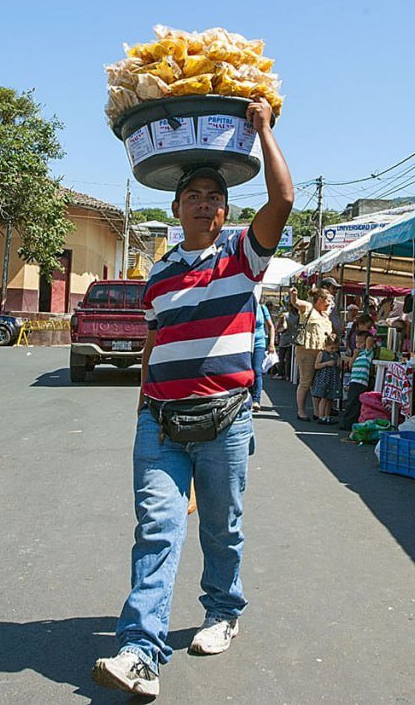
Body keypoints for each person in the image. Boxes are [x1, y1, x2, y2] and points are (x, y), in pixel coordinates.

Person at [93, 97, 292, 698]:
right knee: (157, 527)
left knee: (221, 529)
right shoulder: (156, 275)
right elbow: (155, 339)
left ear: (226, 209)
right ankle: (140, 649)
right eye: (194, 196)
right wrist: (141, 395)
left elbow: (281, 201)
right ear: (176, 207)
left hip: (225, 419)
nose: (205, 203)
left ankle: (222, 611)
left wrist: (261, 131)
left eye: (215, 196)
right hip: (159, 421)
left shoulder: (241, 257)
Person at [289, 285, 334, 421]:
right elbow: (296, 303)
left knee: (317, 383)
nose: (329, 305)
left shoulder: (325, 315)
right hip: (307, 350)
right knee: (306, 382)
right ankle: (301, 411)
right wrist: (293, 295)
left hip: (321, 351)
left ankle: (317, 412)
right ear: (320, 299)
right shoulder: (308, 307)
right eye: (328, 301)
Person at [341, 315, 376, 431]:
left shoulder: (367, 353)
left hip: (361, 382)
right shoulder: (359, 354)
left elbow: (370, 341)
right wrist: (355, 354)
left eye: (360, 343)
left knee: (355, 402)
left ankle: (349, 422)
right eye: (357, 343)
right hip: (354, 380)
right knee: (350, 401)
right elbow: (350, 365)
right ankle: (346, 421)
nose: (358, 345)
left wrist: (368, 337)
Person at [311, 333, 342, 425]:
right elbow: (316, 365)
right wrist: (326, 363)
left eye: (335, 348)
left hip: (333, 378)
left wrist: (339, 365)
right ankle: (321, 416)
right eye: (331, 348)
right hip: (324, 378)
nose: (333, 350)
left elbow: (339, 366)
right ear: (326, 346)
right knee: (324, 398)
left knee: (330, 398)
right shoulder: (322, 353)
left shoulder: (336, 355)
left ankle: (327, 415)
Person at [251, 298, 274, 410]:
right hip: (245, 343)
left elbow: (271, 326)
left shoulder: (262, 308)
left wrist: (271, 343)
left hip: (259, 342)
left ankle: (256, 399)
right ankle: (248, 397)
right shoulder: (246, 306)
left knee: (257, 370)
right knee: (247, 370)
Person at [273, 304, 296, 380]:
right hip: (293, 339)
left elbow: (278, 327)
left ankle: (280, 374)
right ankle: (288, 375)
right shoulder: (298, 316)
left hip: (284, 338)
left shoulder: (284, 315)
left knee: (281, 358)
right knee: (289, 359)